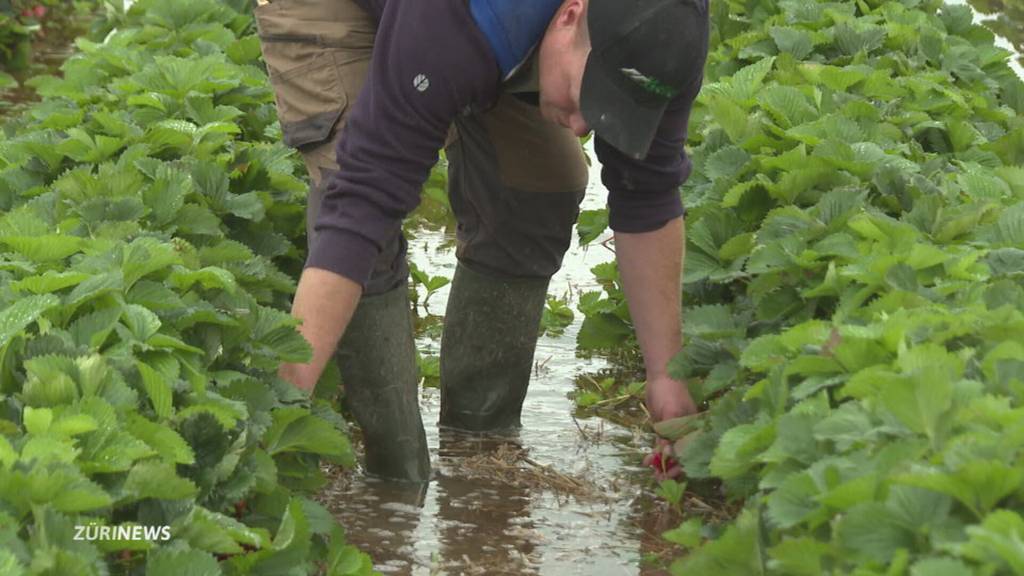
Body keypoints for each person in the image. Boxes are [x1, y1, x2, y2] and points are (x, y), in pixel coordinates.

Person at [254, 0, 710, 483]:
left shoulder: (672, 27)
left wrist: (666, 375)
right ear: (571, 15)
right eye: (588, 98)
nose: (583, 126)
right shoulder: (451, 23)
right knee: (363, 223)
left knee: (540, 184)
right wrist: (282, 406)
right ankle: (394, 471)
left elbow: (648, 191)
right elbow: (361, 206)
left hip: (482, 27)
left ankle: (479, 450)